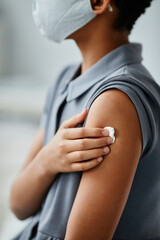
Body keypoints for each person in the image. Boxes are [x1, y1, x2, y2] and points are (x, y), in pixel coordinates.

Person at [10, 0, 160, 239]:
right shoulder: (64, 80)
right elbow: (18, 205)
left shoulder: (115, 101)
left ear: (98, 2)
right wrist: (47, 160)